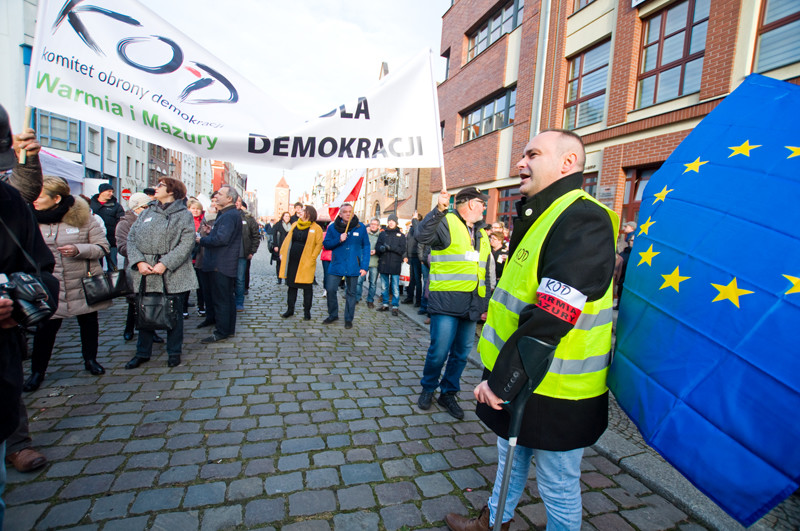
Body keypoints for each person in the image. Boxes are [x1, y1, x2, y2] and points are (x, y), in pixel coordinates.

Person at [445, 129, 617, 531]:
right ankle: (493, 521)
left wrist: (501, 382)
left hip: (557, 386)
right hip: (522, 374)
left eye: (532, 154)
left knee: (557, 484)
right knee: (509, 458)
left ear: (567, 163)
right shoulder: (541, 213)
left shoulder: (583, 218)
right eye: (522, 154)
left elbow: (554, 313)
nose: (520, 163)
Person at [0, 109, 58, 497]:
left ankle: (15, 442)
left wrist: (17, 305)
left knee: (8, 392)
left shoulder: (8, 202)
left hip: (1, 343)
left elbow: (41, 272)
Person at [25, 177, 111, 392]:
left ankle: (90, 360)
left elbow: (102, 247)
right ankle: (38, 371)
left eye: (40, 195)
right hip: (49, 285)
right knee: (45, 329)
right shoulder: (28, 219)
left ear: (56, 198)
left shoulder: (84, 217)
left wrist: (78, 250)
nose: (35, 200)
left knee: (89, 323)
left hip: (82, 280)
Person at [416, 187, 492, 420]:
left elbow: (487, 271)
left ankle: (448, 393)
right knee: (439, 351)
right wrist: (438, 209)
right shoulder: (446, 221)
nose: (485, 207)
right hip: (446, 302)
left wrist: (486, 303)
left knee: (460, 354)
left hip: (472, 304)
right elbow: (422, 236)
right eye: (482, 202)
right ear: (470, 204)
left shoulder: (482, 232)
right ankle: (428, 388)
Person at [125, 178, 197, 368]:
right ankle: (142, 351)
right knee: (145, 311)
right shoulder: (148, 211)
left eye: (160, 186)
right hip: (146, 270)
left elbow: (187, 243)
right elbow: (131, 238)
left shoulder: (184, 215)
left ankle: (174, 351)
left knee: (173, 313)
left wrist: (165, 263)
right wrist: (139, 261)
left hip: (172, 272)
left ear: (172, 191)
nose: (156, 188)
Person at [116, 192, 164, 343]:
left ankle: (151, 329)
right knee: (134, 300)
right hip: (135, 265)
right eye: (145, 206)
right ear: (137, 208)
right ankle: (129, 328)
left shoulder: (153, 219)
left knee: (151, 299)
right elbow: (123, 246)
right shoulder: (125, 223)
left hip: (153, 264)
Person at [197, 185, 241, 343]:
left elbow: (222, 239)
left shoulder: (229, 215)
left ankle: (222, 331)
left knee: (222, 299)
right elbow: (222, 235)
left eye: (220, 194)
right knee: (226, 298)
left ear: (229, 198)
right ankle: (227, 329)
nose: (216, 196)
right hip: (222, 264)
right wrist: (212, 231)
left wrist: (201, 239)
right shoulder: (228, 214)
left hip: (220, 264)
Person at [322, 203, 370, 329]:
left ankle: (349, 318)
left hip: (354, 264)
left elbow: (366, 246)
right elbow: (326, 244)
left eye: (351, 211)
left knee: (351, 293)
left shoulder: (360, 227)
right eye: (345, 211)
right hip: (337, 263)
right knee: (331, 289)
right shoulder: (332, 228)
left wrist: (364, 266)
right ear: (340, 214)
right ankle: (333, 314)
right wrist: (339, 239)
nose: (348, 213)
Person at [279, 205, 323, 320]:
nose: (301, 212)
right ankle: (290, 309)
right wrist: (283, 252)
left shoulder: (316, 228)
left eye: (303, 210)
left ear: (309, 214)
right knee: (291, 286)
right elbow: (287, 240)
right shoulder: (295, 225)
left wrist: (313, 257)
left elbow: (319, 244)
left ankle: (307, 311)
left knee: (307, 287)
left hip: (306, 261)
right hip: (293, 260)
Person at [375, 213, 406, 316]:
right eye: (389, 221)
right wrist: (381, 249)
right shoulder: (383, 234)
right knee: (384, 286)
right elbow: (377, 246)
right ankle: (385, 304)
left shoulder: (401, 236)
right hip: (384, 263)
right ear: (387, 222)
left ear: (396, 222)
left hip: (395, 264)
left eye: (393, 221)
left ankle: (395, 306)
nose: (391, 223)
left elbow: (402, 250)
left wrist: (390, 248)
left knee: (395, 287)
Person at [90, 182, 124, 269]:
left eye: (112, 191)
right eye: (109, 191)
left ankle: (114, 281)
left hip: (111, 239)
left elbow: (121, 221)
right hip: (95, 240)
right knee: (97, 265)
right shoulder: (91, 204)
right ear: (101, 191)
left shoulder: (116, 206)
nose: (111, 194)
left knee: (112, 264)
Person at [235, 197, 260, 311]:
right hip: (226, 254)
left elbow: (256, 236)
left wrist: (251, 251)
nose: (237, 203)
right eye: (235, 201)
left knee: (240, 279)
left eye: (239, 201)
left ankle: (239, 302)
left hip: (241, 253)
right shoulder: (224, 216)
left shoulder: (248, 219)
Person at [186, 198, 206, 316]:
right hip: (187, 257)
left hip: (199, 256)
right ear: (188, 209)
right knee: (187, 285)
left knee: (200, 285)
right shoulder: (184, 221)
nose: (195, 211)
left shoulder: (204, 221)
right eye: (193, 208)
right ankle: (183, 308)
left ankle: (201, 306)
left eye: (198, 209)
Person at [356, 217, 381, 308]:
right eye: (372, 224)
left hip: (375, 263)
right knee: (359, 281)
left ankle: (370, 300)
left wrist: (376, 251)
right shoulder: (365, 234)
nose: (373, 226)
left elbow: (382, 248)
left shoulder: (381, 236)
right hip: (364, 262)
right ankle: (357, 297)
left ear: (378, 226)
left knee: (373, 283)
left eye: (375, 224)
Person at [402, 213, 423, 306]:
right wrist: (405, 255)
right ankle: (410, 297)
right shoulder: (411, 229)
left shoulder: (420, 227)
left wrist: (415, 219)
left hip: (417, 257)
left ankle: (418, 300)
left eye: (414, 218)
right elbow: (407, 242)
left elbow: (418, 232)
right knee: (412, 279)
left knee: (418, 280)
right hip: (411, 256)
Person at [271, 212, 291, 285]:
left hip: (288, 247)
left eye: (288, 216)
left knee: (287, 264)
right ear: (283, 217)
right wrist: (275, 245)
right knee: (279, 263)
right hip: (279, 246)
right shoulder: (278, 225)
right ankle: (279, 278)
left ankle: (286, 278)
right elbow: (274, 235)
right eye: (286, 216)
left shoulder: (291, 225)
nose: (287, 217)